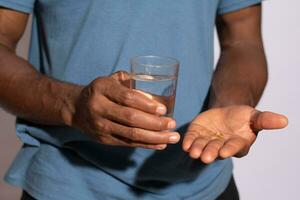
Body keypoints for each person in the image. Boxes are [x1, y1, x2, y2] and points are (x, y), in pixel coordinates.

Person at [0, 1, 288, 200]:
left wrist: (229, 103)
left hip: (204, 184)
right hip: (70, 183)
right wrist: (72, 105)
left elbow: (242, 41)